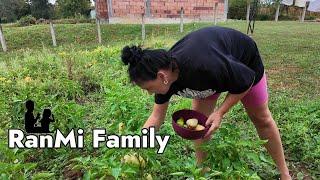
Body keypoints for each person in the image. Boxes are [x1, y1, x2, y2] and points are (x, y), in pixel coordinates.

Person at [120, 26, 291, 179]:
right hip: (211, 75)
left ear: (162, 77)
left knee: (261, 119)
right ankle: (202, 172)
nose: (150, 93)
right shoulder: (166, 77)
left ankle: (285, 174)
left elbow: (246, 80)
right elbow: (156, 116)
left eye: (149, 88)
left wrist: (220, 112)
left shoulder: (203, 65)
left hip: (243, 63)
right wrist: (136, 147)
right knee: (199, 127)